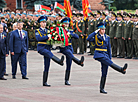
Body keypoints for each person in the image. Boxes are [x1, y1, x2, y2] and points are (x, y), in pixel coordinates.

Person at [87, 22, 128, 94]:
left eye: (104, 29)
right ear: (99, 30)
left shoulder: (107, 37)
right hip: (99, 54)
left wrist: (110, 56)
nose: (103, 30)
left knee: (104, 72)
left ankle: (102, 88)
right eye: (102, 29)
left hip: (105, 54)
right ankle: (121, 69)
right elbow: (88, 38)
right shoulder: (96, 36)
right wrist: (95, 32)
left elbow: (109, 48)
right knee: (109, 63)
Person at [35, 16, 64, 87]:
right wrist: (47, 36)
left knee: (47, 64)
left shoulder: (48, 31)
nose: (44, 24)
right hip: (41, 48)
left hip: (47, 47)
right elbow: (39, 38)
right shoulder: (37, 31)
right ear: (40, 23)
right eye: (42, 22)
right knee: (49, 53)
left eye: (45, 22)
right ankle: (58, 61)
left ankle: (45, 82)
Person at [59, 17, 84, 85]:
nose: (66, 25)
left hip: (70, 47)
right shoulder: (60, 30)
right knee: (70, 54)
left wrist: (70, 34)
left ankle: (66, 80)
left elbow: (77, 36)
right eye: (65, 24)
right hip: (64, 47)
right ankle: (79, 62)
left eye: (67, 24)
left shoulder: (70, 30)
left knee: (69, 64)